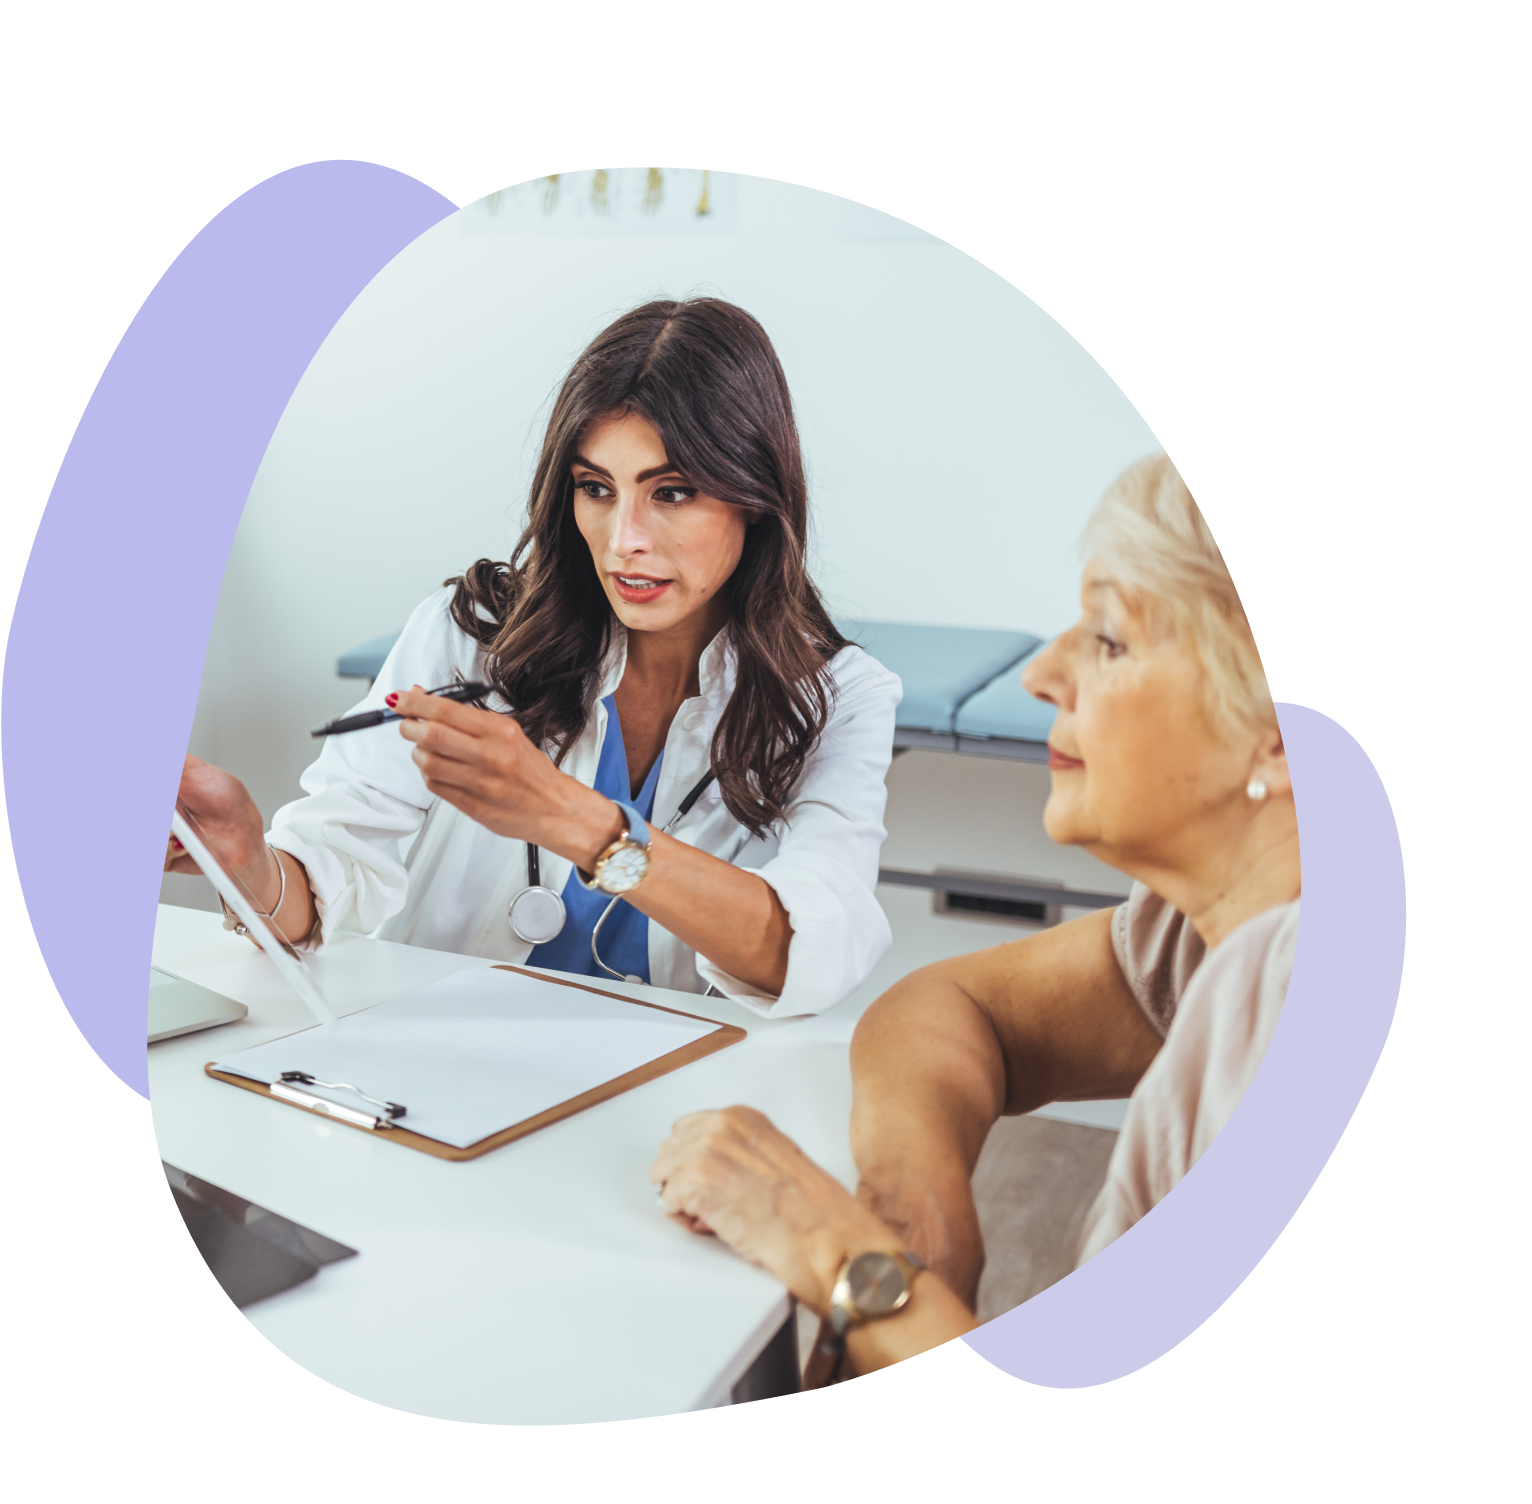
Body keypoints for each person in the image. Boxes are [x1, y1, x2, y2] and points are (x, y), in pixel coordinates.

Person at [650, 454, 1300, 1376]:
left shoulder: (1285, 983)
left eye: (1110, 640)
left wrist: (834, 1249)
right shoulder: (1198, 931)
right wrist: (922, 1199)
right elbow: (956, 1007)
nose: (1043, 674)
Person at [166, 299, 901, 1016]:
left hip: (671, 1085)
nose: (623, 541)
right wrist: (248, 863)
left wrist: (574, 822)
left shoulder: (838, 698)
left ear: (756, 494)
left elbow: (813, 950)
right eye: (595, 488)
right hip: (442, 1059)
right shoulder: (471, 638)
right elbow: (322, 882)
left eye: (672, 492)